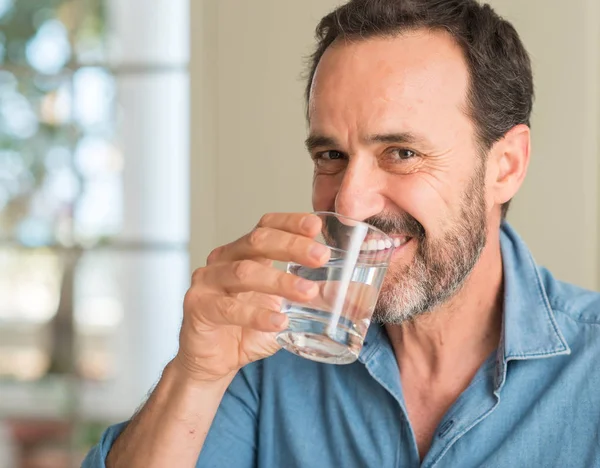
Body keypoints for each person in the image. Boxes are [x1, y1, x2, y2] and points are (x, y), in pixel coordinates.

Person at [83, 0, 600, 466]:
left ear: (505, 166)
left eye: (401, 153)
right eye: (331, 156)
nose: (349, 203)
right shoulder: (264, 354)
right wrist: (195, 374)